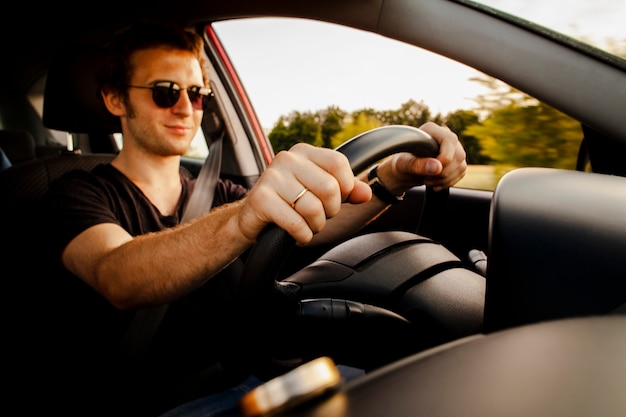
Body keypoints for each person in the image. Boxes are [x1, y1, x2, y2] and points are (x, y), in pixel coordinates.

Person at [36, 21, 466, 417]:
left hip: (254, 376)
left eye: (197, 94)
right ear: (115, 99)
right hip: (163, 402)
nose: (186, 108)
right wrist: (243, 219)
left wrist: (391, 178)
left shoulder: (218, 192)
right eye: (166, 91)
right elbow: (117, 275)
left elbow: (308, 225)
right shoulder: (74, 192)